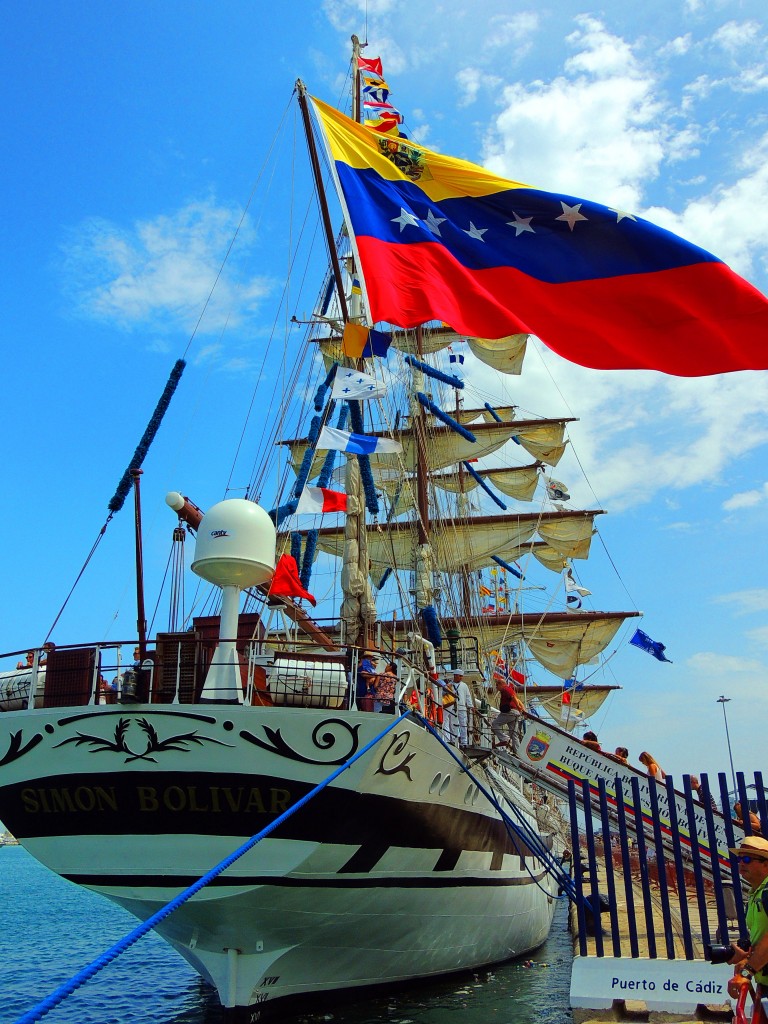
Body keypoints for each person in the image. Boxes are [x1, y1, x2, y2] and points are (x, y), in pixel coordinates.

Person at [725, 836, 768, 1019]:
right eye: (740, 858)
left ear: (766, 864)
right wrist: (746, 956)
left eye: (748, 859)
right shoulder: (756, 893)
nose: (742, 863)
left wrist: (747, 971)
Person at [491, 677, 524, 751]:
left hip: (509, 712)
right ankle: (518, 751)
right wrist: (520, 708)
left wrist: (519, 707)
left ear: (501, 684)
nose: (496, 687)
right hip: (515, 713)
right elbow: (516, 698)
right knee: (513, 734)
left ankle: (504, 739)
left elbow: (513, 697)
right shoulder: (508, 689)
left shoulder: (506, 689)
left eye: (497, 685)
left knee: (495, 724)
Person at [451, 668, 473, 747]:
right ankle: (453, 740)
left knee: (463, 724)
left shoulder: (464, 685)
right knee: (453, 724)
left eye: (461, 676)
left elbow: (468, 697)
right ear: (455, 676)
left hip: (462, 708)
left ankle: (464, 741)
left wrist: (470, 706)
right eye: (459, 676)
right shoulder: (450, 685)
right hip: (453, 708)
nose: (461, 678)